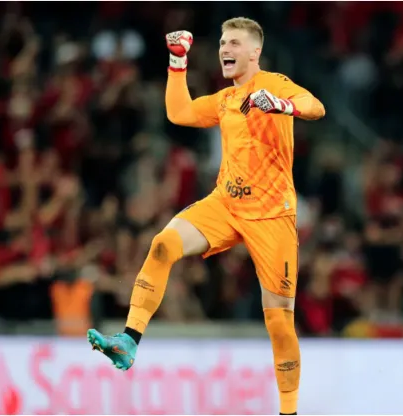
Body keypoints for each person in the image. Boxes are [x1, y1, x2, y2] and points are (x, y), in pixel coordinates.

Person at [87, 17, 325, 415]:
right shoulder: (226, 99)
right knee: (162, 244)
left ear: (254, 52)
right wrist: (177, 63)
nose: (224, 49)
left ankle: (289, 411)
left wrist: (281, 105)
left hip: (271, 217)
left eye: (233, 42)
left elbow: (315, 107)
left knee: (280, 321)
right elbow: (179, 113)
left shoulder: (275, 83)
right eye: (220, 43)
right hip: (226, 205)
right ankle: (129, 339)